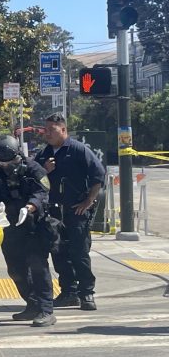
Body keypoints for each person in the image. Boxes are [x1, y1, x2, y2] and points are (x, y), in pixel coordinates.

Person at [34, 113, 106, 311]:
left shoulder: (78, 150)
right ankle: (68, 292)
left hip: (76, 211)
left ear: (63, 130)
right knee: (59, 253)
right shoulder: (43, 154)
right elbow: (32, 179)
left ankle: (87, 293)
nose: (47, 134)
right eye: (45, 130)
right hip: (53, 212)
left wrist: (89, 201)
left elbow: (98, 175)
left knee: (79, 253)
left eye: (52, 130)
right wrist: (43, 170)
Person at [0, 135, 56, 327]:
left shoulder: (34, 170)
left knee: (38, 267)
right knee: (15, 269)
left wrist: (30, 206)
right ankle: (31, 304)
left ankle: (46, 309)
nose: (8, 166)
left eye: (11, 161)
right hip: (9, 227)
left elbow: (42, 192)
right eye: (3, 162)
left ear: (19, 155)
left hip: (34, 225)